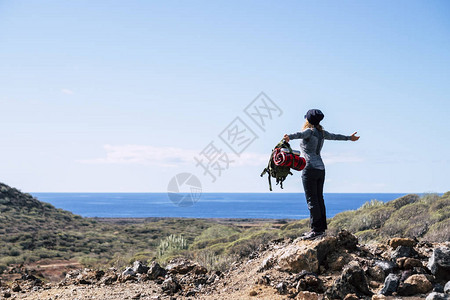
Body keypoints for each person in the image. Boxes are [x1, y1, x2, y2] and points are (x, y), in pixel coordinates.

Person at [283, 109, 360, 240]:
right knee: (319, 198)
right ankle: (321, 229)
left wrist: (288, 137)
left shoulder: (309, 131)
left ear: (308, 120)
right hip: (321, 169)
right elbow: (336, 136)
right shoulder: (321, 133)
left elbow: (298, 134)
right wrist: (349, 138)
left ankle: (315, 231)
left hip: (310, 168)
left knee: (312, 200)